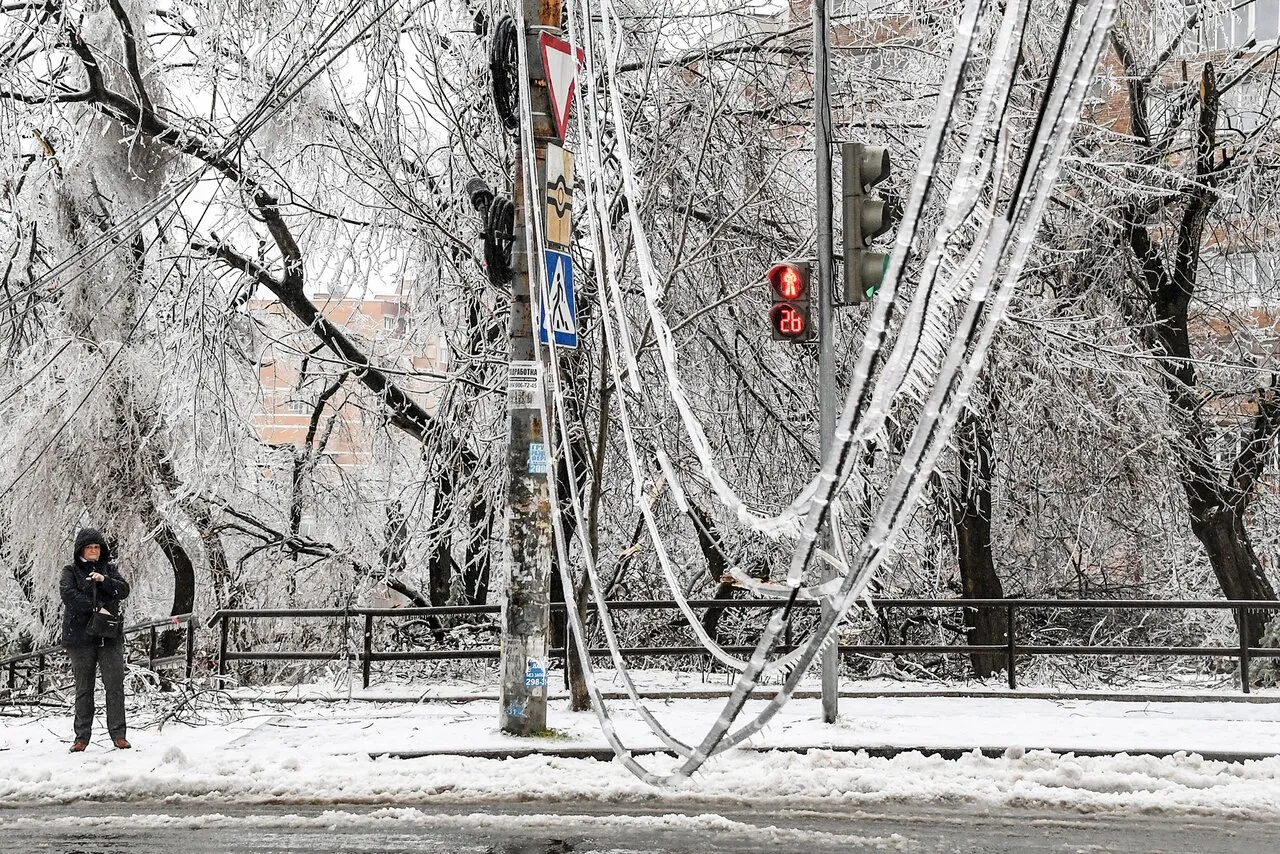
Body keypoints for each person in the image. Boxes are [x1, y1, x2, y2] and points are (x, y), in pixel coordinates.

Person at [60, 528, 132, 752]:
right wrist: (97, 607)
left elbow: (123, 590)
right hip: (80, 637)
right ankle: (81, 737)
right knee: (84, 688)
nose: (93, 551)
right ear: (80, 550)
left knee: (115, 685)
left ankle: (119, 735)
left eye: (97, 547)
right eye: (89, 547)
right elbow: (68, 595)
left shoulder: (109, 570)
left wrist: (104, 581)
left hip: (109, 636)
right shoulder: (71, 571)